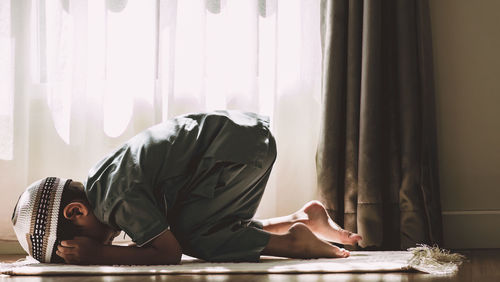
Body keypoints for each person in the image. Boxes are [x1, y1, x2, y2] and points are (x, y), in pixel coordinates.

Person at [11, 111, 362, 265]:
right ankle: (302, 218)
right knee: (192, 229)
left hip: (234, 153)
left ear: (77, 212)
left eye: (79, 245)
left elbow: (169, 254)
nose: (92, 248)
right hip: (238, 141)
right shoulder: (102, 181)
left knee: (191, 239)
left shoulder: (115, 199)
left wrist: (100, 256)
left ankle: (294, 244)